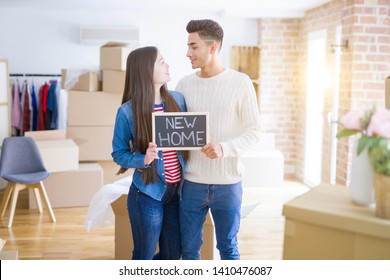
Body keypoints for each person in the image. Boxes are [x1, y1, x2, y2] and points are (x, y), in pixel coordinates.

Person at [175, 19, 261, 260]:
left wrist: (225, 148)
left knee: (228, 249)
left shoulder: (240, 83)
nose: (188, 53)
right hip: (191, 183)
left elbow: (254, 131)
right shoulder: (183, 85)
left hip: (228, 183)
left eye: (194, 46)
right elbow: (177, 132)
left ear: (212, 48)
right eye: (188, 46)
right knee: (189, 251)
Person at [112, 46, 187, 260]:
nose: (168, 65)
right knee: (144, 254)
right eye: (162, 62)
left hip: (176, 192)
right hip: (147, 194)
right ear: (146, 70)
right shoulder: (127, 111)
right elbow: (118, 153)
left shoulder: (178, 101)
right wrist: (143, 159)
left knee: (173, 255)